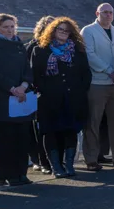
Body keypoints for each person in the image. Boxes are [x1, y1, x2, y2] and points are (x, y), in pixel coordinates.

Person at [30, 17, 92, 178]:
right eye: (60, 29)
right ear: (53, 30)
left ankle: (69, 165)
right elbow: (36, 75)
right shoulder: (40, 50)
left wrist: (80, 90)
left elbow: (86, 74)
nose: (64, 32)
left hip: (73, 98)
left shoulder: (78, 51)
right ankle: (56, 166)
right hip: (50, 100)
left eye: (67, 30)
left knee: (70, 132)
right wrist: (46, 90)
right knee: (50, 132)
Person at [0, 14, 34, 187]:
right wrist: (12, 88)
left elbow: (27, 69)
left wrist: (23, 86)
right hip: (2, 99)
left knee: (22, 138)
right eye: (6, 27)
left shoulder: (19, 45)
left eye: (12, 26)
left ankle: (21, 173)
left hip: (21, 97)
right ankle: (6, 175)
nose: (10, 30)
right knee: (5, 140)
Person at [80, 3, 114, 171]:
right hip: (98, 83)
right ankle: (91, 159)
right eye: (105, 12)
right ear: (97, 13)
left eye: (111, 12)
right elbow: (89, 54)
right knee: (93, 122)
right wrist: (108, 70)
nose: (108, 15)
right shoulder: (88, 31)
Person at [25, 15, 56, 175]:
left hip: (55, 94)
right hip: (37, 94)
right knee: (38, 130)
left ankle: (55, 160)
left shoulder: (61, 47)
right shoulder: (33, 46)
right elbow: (29, 71)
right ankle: (40, 161)